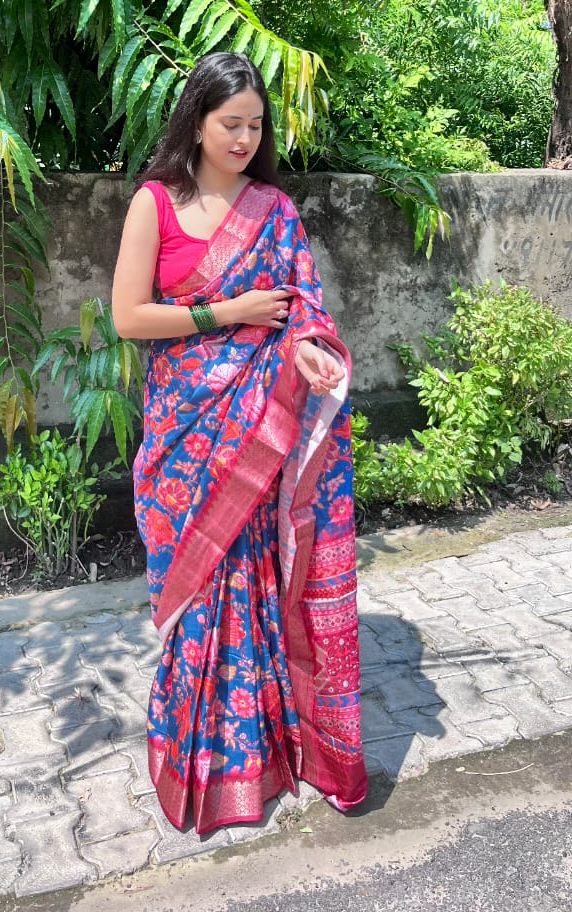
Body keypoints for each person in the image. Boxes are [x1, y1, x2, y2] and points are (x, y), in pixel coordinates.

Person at [111, 50, 367, 834]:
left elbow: (303, 316)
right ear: (197, 119)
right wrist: (228, 313)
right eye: (231, 123)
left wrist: (316, 354)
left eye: (256, 126)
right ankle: (198, 757)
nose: (245, 138)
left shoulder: (276, 213)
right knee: (197, 604)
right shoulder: (154, 204)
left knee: (257, 587)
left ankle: (268, 756)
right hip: (187, 441)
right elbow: (129, 318)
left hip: (260, 436)